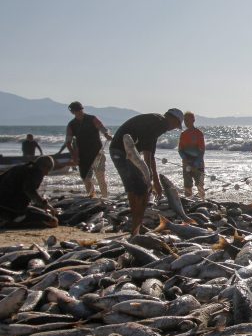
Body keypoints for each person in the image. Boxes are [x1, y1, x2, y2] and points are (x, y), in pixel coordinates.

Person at [109, 108, 183, 236]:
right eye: (177, 125)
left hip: (119, 150)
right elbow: (147, 153)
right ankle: (136, 228)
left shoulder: (155, 120)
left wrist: (155, 179)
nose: (174, 128)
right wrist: (149, 177)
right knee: (143, 189)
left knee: (132, 188)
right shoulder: (161, 123)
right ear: (173, 119)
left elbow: (151, 153)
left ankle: (137, 226)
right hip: (124, 151)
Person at [64, 101, 112, 198]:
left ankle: (105, 197)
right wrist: (74, 156)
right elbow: (68, 142)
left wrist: (106, 134)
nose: (78, 112)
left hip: (97, 153)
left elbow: (102, 128)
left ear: (82, 109)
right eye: (76, 111)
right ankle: (92, 198)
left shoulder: (92, 119)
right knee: (86, 178)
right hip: (83, 155)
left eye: (79, 110)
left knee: (100, 177)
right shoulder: (71, 124)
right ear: (72, 112)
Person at [0, 156, 59, 228]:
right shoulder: (36, 172)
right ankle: (12, 223)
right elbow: (29, 190)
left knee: (34, 210)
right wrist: (45, 204)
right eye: (48, 170)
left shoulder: (19, 168)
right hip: (13, 210)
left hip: (3, 206)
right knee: (53, 221)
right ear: (45, 167)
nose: (46, 174)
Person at [178, 111, 205, 199]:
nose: (186, 122)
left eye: (188, 120)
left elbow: (202, 150)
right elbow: (180, 150)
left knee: (200, 185)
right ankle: (188, 201)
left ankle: (202, 201)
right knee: (187, 185)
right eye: (184, 120)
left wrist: (196, 163)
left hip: (198, 164)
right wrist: (185, 159)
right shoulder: (183, 134)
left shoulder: (199, 133)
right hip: (186, 163)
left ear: (193, 120)